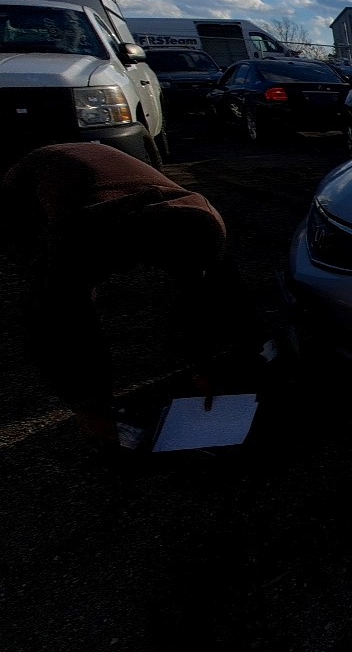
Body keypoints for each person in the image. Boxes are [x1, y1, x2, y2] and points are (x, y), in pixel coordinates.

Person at [0, 142, 260, 451]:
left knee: (210, 286)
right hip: (27, 187)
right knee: (58, 300)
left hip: (101, 177)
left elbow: (207, 296)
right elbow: (57, 318)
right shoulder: (82, 237)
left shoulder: (202, 222)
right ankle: (95, 410)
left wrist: (203, 365)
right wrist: (90, 407)